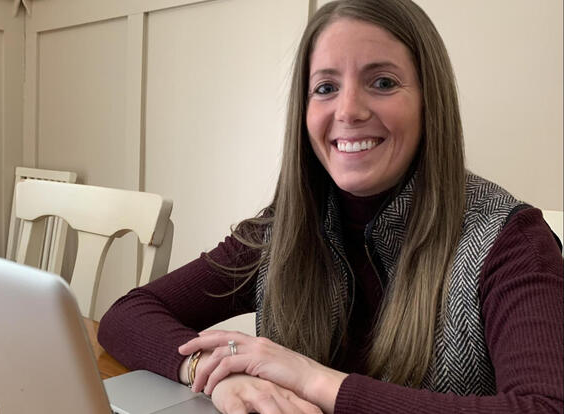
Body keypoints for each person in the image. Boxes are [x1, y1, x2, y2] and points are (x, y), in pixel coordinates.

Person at [98, 0, 564, 413]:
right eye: (325, 87)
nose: (349, 110)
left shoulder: (512, 239)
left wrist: (314, 380)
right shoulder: (281, 230)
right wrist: (216, 373)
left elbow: (543, 406)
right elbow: (129, 313)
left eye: (382, 81)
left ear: (430, 102)